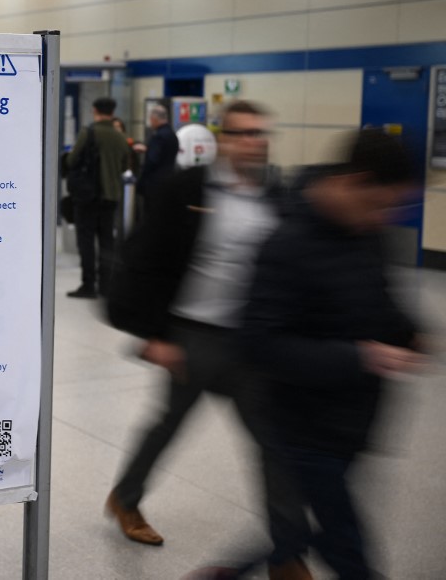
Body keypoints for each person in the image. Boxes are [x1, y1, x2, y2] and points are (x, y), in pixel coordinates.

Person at [106, 101, 310, 579]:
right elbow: (143, 262)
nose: (252, 141)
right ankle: (125, 499)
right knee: (168, 425)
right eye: (241, 133)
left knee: (274, 444)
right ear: (222, 138)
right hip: (192, 335)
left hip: (252, 343)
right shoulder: (185, 190)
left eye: (259, 133)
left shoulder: (277, 196)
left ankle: (286, 553)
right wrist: (154, 336)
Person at [241, 128, 425, 579]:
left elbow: (378, 301)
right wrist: (358, 357)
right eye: (380, 203)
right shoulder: (287, 243)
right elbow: (260, 345)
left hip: (351, 421)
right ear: (353, 181)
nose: (385, 216)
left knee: (305, 532)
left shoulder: (365, 233)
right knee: (347, 549)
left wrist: (410, 334)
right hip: (301, 426)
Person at [64, 97, 130, 298]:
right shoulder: (120, 137)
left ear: (95, 110)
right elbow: (125, 166)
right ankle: (105, 286)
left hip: (88, 197)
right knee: (107, 241)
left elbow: (72, 159)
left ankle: (88, 285)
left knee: (86, 241)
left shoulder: (89, 132)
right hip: (111, 197)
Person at [135, 104, 178, 208]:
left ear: (154, 118)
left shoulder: (158, 136)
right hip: (169, 180)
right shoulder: (172, 134)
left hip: (155, 183)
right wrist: (148, 149)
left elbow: (152, 160)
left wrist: (142, 181)